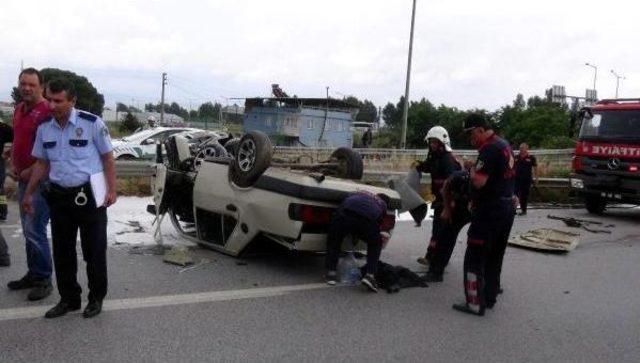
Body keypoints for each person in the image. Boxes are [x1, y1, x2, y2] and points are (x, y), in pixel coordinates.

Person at [23, 78, 117, 319]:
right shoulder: (45, 127)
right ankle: (69, 299)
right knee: (62, 252)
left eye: (58, 101)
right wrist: (29, 193)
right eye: (50, 100)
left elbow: (108, 158)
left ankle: (96, 298)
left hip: (90, 195)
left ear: (72, 101)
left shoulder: (92, 123)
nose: (52, 105)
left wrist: (112, 190)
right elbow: (42, 163)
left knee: (94, 251)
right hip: (60, 197)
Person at [452, 113, 516, 316]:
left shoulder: (489, 148)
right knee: (495, 255)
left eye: (471, 134)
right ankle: (489, 297)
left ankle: (474, 303)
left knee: (474, 256)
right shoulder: (504, 145)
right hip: (506, 207)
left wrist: (470, 171)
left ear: (480, 129)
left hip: (489, 210)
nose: (471, 140)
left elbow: (479, 181)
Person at [6, 68, 54, 300]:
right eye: (23, 83)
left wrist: (28, 171)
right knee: (27, 229)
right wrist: (12, 162)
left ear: (41, 87)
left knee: (35, 229)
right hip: (22, 178)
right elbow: (19, 140)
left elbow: (49, 153)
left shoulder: (47, 112)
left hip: (41, 181)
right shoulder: (18, 109)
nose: (26, 88)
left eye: (32, 85)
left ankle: (44, 278)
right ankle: (34, 273)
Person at [414, 126, 461, 276]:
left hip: (448, 201)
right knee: (438, 229)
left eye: (435, 142)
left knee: (443, 230)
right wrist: (419, 166)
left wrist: (450, 204)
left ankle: (436, 259)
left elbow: (452, 183)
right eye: (431, 142)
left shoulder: (448, 159)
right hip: (440, 199)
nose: (432, 145)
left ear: (442, 142)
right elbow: (430, 167)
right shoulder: (436, 156)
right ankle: (433, 257)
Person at [325, 191, 393, 293]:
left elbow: (344, 201)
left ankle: (331, 273)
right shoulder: (382, 204)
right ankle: (370, 276)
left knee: (334, 239)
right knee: (375, 243)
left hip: (345, 213)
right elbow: (377, 223)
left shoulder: (361, 193)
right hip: (366, 220)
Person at [425, 162, 473, 282]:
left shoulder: (491, 182)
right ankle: (436, 272)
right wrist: (447, 209)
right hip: (459, 207)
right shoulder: (459, 177)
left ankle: (490, 282)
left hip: (480, 210)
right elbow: (445, 189)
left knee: (482, 243)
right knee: (445, 237)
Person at [514, 143, 537, 215]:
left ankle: (523, 210)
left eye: (523, 148)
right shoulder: (516, 157)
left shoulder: (531, 158)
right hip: (516, 179)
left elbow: (535, 168)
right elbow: (511, 167)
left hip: (526, 179)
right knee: (515, 194)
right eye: (520, 148)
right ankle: (513, 210)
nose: (521, 149)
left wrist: (536, 178)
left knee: (524, 195)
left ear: (527, 148)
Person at [0, 121, 13, 221]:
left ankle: (3, 211)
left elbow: (17, 137)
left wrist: (8, 153)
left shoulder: (3, 128)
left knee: (0, 190)